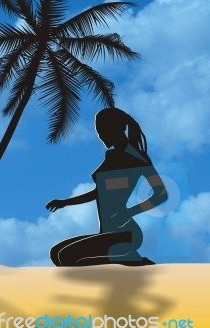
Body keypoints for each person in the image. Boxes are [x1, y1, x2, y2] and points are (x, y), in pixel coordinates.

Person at [46, 107, 168, 266]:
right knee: (56, 253)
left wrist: (129, 212)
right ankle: (126, 260)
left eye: (102, 130)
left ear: (115, 129)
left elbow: (161, 193)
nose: (99, 135)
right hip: (107, 232)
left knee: (66, 257)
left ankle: (133, 262)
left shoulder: (137, 158)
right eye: (98, 131)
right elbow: (99, 193)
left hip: (125, 233)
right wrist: (64, 202)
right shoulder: (112, 156)